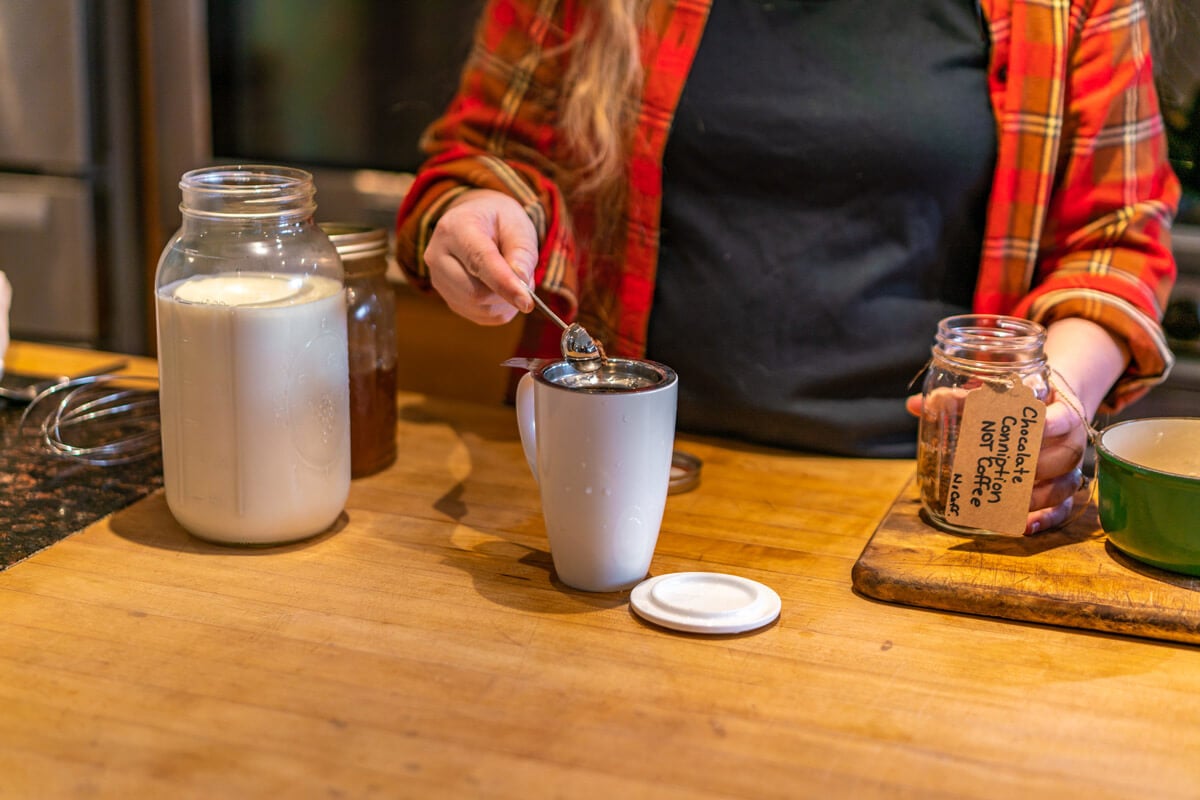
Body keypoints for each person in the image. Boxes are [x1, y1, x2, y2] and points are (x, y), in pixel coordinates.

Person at [394, 0, 1180, 534]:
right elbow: (490, 154)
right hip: (614, 484)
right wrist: (472, 210)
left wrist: (1053, 403)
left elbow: (1115, 240)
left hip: (920, 504)